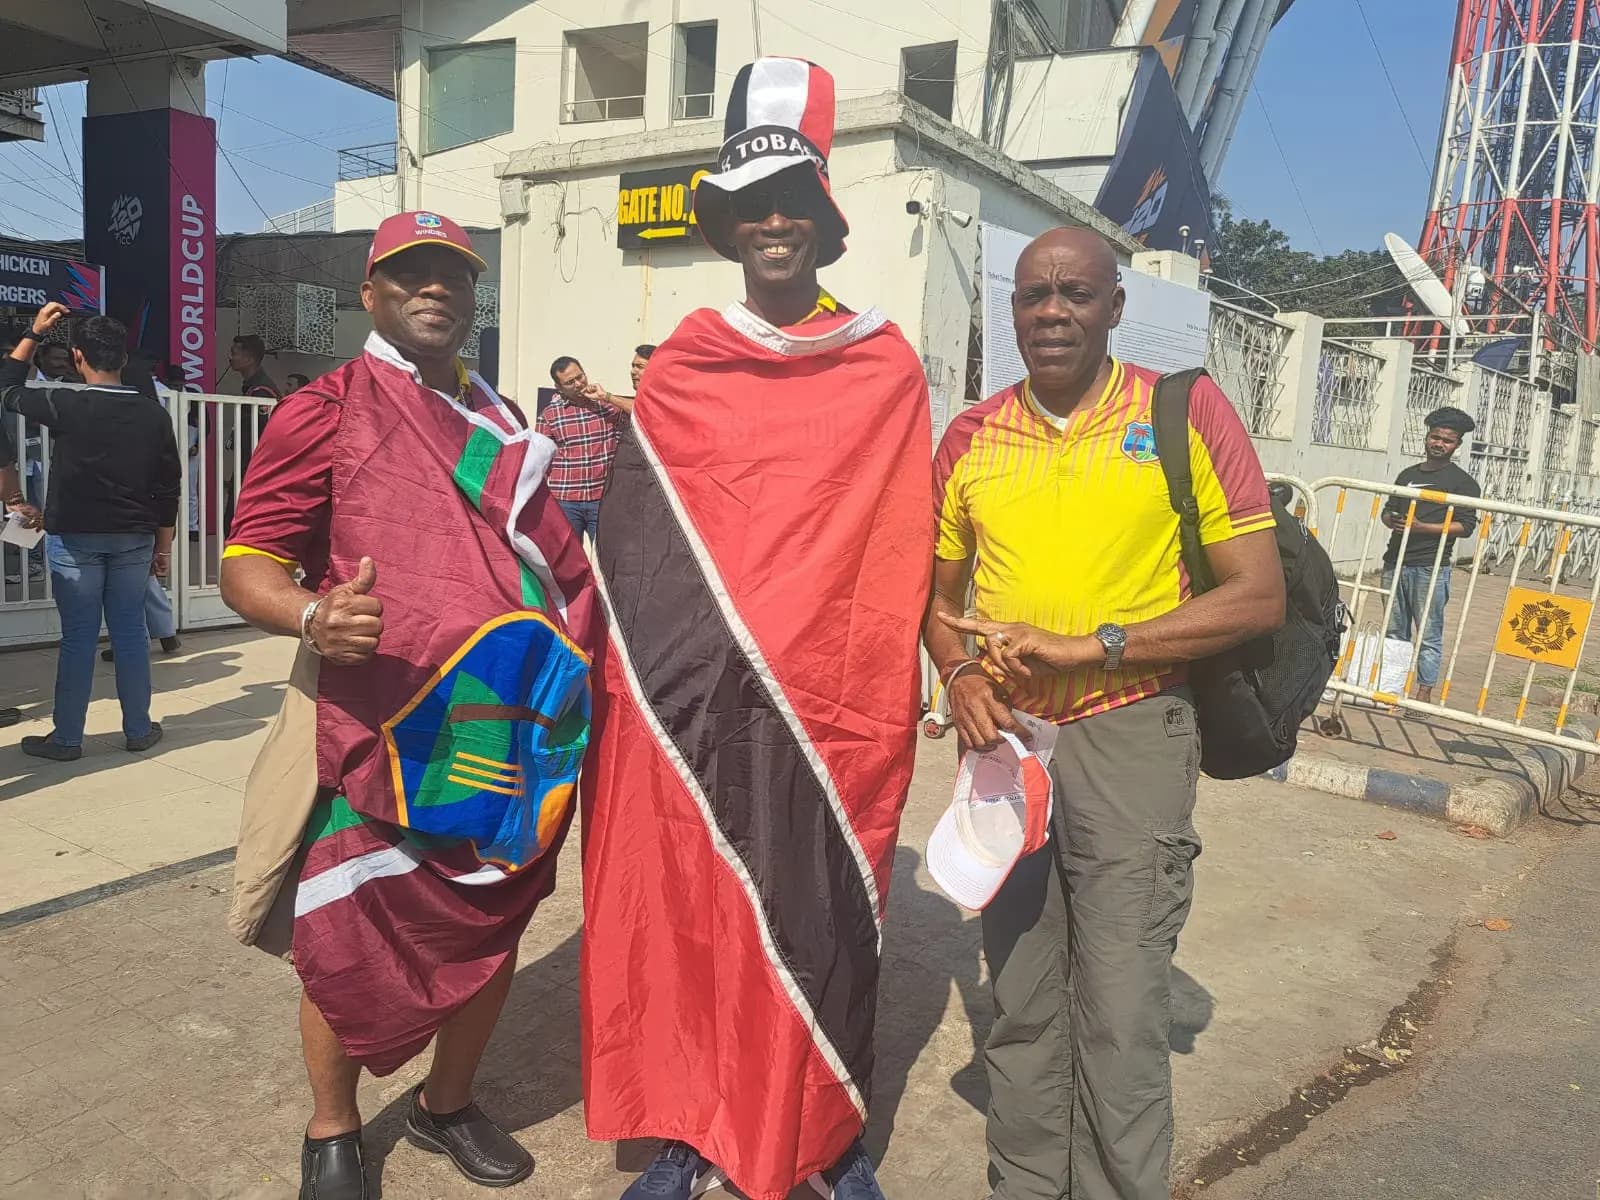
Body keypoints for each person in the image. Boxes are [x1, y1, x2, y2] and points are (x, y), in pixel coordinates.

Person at [586, 58, 934, 1200]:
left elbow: (897, 538)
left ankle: (827, 1139)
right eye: (750, 206)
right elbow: (646, 532)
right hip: (698, 698)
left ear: (825, 223)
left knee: (820, 904)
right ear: (728, 229)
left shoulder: (885, 363)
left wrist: (921, 661)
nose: (772, 220)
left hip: (826, 704)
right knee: (695, 905)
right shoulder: (686, 357)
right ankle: (691, 1128)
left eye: (791, 199)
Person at [220, 210, 598, 1200]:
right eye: (410, 272)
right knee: (349, 928)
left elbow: (561, 573)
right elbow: (247, 559)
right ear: (371, 293)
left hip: (505, 731)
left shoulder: (507, 423)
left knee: (492, 923)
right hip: (377, 730)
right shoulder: (328, 406)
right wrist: (310, 617)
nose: (435, 287)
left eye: (452, 274)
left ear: (473, 296)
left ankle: (444, 1106)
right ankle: (333, 1125)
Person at [923, 228, 1285, 1200]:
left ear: (1115, 306)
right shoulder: (968, 439)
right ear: (1011, 308)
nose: (1053, 311)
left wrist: (1092, 645)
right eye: (1035, 295)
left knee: (1121, 1015)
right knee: (1025, 1006)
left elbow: (1256, 595)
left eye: (1075, 294)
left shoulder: (1183, 413)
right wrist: (957, 675)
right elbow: (936, 590)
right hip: (1011, 750)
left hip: (1132, 730)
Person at [1, 303, 182, 762]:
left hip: (75, 539)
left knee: (79, 638)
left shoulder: (64, 402)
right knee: (130, 634)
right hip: (134, 538)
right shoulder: (153, 414)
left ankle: (66, 739)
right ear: (122, 359)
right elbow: (169, 484)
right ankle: (138, 729)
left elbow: (6, 387)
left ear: (78, 357)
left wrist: (34, 333)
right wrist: (163, 547)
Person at [1380, 406, 1481, 704]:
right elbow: (1389, 508)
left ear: (1457, 445)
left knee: (1428, 633)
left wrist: (1422, 527)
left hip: (1430, 567)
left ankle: (1424, 692)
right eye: (1435, 437)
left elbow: (1466, 526)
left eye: (1447, 440)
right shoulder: (1407, 475)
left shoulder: (1464, 483)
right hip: (1394, 561)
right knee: (1393, 629)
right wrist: (1391, 519)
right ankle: (1390, 689)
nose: (1439, 443)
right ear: (1426, 438)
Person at [103, 357, 182, 662]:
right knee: (142, 575)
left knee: (125, 581)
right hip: (151, 509)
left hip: (125, 510)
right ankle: (164, 630)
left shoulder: (122, 419)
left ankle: (140, 637)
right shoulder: (156, 418)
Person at [535, 356, 633, 543]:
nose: (579, 384)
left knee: (605, 558)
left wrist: (607, 397)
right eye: (570, 382)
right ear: (559, 387)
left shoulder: (607, 406)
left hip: (602, 499)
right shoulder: (549, 415)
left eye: (580, 377)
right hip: (566, 500)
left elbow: (642, 412)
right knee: (570, 561)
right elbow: (540, 460)